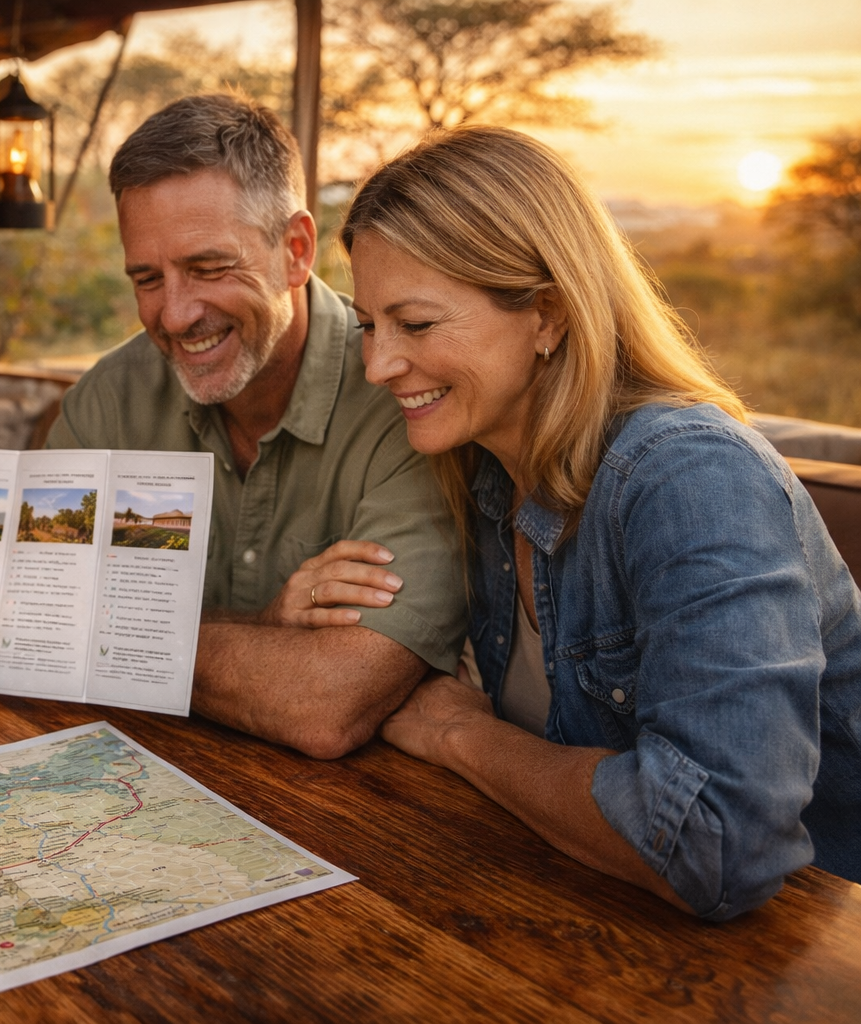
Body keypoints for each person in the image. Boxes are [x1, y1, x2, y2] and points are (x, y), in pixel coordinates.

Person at [334, 124, 860, 919]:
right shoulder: (482, 469)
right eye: (368, 325)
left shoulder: (690, 478)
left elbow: (718, 843)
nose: (378, 365)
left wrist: (460, 736)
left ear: (547, 314)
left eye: (416, 323)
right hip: (596, 917)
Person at [47, 95, 468, 760]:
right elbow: (36, 621)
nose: (175, 315)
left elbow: (325, 702)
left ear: (295, 250)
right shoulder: (108, 398)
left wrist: (113, 636)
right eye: (147, 279)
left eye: (209, 268)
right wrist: (262, 626)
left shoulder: (406, 397)